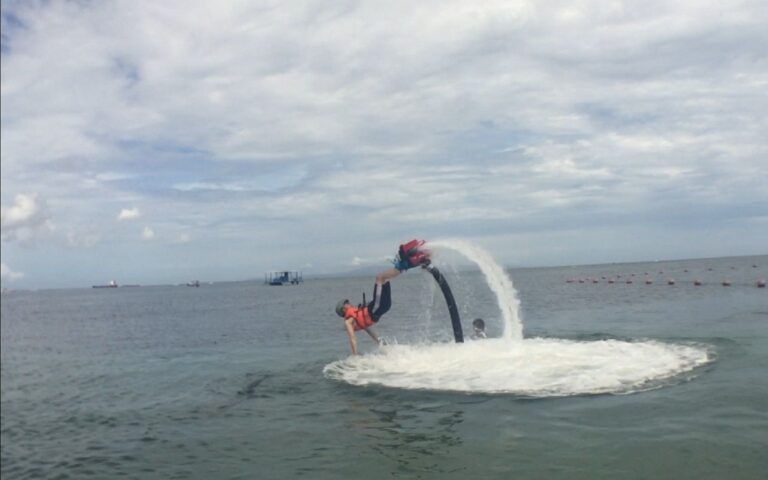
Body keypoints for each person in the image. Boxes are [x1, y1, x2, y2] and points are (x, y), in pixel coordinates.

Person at [335, 240, 430, 355]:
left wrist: (381, 343)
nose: (349, 304)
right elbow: (352, 339)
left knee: (385, 279)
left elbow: (370, 331)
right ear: (343, 309)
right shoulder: (348, 322)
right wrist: (355, 355)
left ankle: (411, 263)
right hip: (377, 308)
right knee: (380, 278)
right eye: (346, 304)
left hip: (382, 308)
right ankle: (404, 264)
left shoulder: (356, 320)